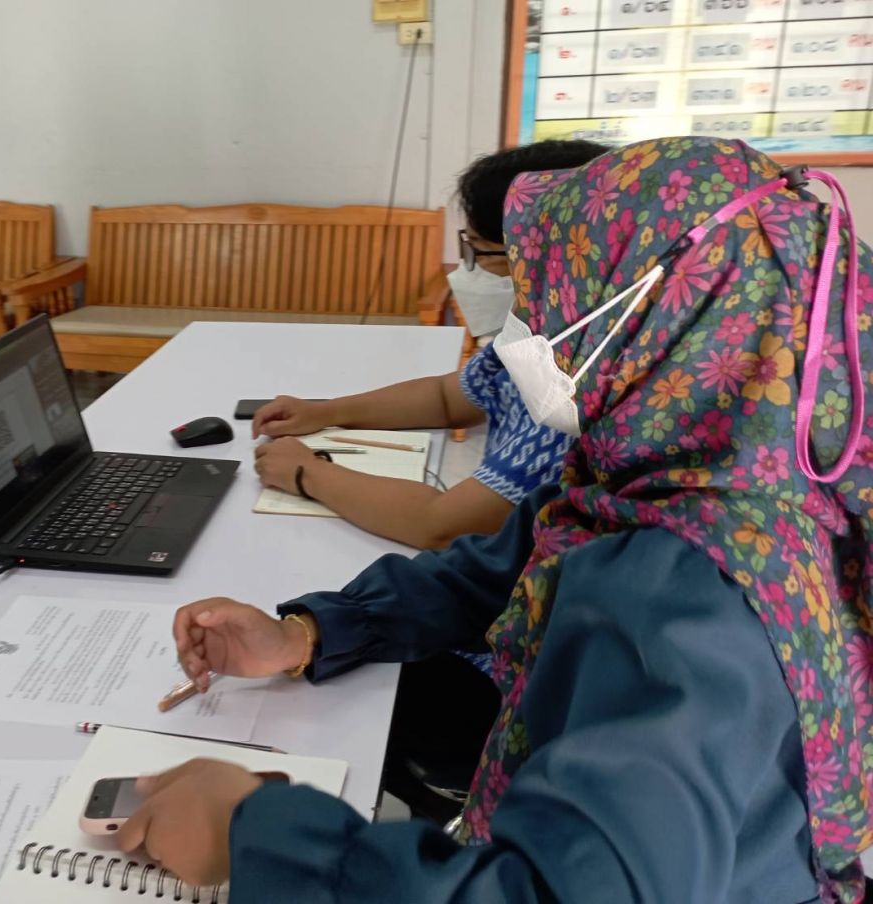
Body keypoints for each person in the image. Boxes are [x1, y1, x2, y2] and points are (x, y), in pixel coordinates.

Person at [117, 137, 873, 902]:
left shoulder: (685, 589)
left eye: (558, 292)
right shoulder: (710, 474)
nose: (532, 323)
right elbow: (494, 569)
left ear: (661, 319)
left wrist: (253, 833)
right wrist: (310, 632)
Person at [252, 140, 608, 550]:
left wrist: (306, 473)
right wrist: (326, 412)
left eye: (480, 252)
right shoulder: (541, 334)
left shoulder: (578, 387)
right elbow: (447, 397)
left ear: (548, 253)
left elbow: (443, 526)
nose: (471, 269)